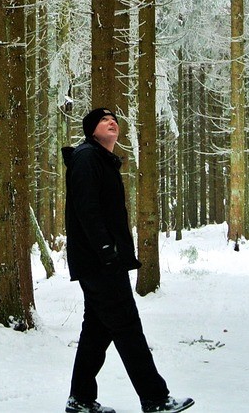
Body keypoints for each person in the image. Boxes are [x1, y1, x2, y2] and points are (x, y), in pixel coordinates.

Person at [62, 107, 194, 413]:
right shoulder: (86, 158)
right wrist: (107, 249)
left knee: (97, 331)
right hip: (101, 262)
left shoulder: (101, 161)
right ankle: (155, 398)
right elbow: (87, 209)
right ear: (90, 130)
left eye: (114, 120)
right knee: (128, 328)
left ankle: (80, 399)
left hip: (104, 261)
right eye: (103, 120)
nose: (112, 123)